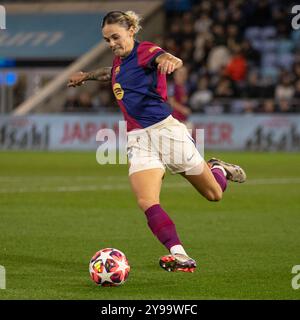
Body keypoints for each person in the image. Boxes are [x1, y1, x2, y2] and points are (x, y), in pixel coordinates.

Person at [68, 11, 246, 273]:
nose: (112, 44)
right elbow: (111, 73)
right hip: (138, 139)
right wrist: (86, 76)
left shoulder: (147, 51)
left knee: (214, 194)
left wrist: (170, 61)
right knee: (146, 200)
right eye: (107, 40)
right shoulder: (120, 61)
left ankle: (218, 168)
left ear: (130, 29)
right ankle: (180, 255)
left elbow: (166, 58)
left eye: (115, 37)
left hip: (167, 132)